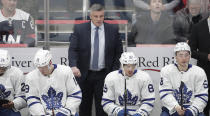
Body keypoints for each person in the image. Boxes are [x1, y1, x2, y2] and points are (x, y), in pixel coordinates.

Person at [68, 3, 123, 116]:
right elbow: (73, 49)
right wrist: (73, 65)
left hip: (104, 75)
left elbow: (119, 53)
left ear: (104, 16)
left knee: (103, 109)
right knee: (84, 109)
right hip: (84, 75)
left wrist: (113, 71)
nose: (99, 19)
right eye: (96, 16)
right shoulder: (80, 28)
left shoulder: (112, 29)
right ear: (90, 16)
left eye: (101, 16)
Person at [25, 49, 81, 116]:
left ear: (50, 63)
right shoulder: (30, 77)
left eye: (44, 67)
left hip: (66, 113)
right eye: (39, 67)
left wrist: (66, 111)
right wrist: (40, 114)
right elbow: (32, 99)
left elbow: (75, 94)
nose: (41, 71)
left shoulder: (66, 71)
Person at [159, 42, 208, 116]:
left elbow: (202, 96)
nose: (184, 58)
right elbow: (165, 93)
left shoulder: (199, 72)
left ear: (190, 56)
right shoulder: (166, 71)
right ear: (175, 56)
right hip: (172, 108)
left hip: (192, 108)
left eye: (186, 55)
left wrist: (191, 111)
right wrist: (176, 107)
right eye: (180, 55)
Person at [188, 14, 210, 116]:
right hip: (205, 71)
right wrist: (207, 56)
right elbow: (191, 50)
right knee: (204, 102)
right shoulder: (198, 27)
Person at [0, 49, 26, 116]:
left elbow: (23, 97)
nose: (1, 70)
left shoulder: (17, 73)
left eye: (3, 68)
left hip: (10, 109)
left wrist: (14, 103)